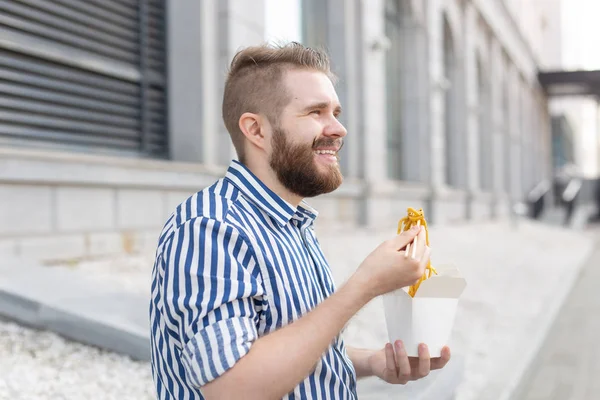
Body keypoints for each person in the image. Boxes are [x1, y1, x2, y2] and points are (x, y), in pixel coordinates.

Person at [149, 42, 451, 400]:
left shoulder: (292, 223)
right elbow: (233, 387)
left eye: (336, 112)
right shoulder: (208, 229)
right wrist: (364, 285)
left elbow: (284, 346)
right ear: (256, 130)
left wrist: (371, 362)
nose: (339, 129)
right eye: (316, 112)